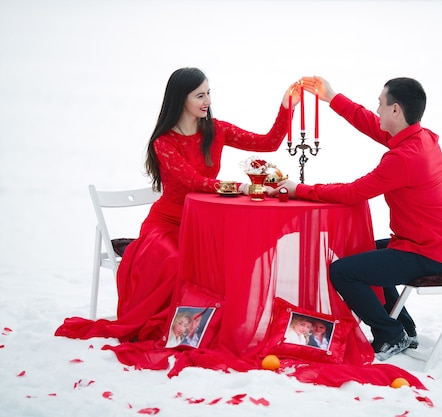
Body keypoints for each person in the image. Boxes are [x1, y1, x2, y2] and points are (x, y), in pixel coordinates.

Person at [56, 67, 301, 342]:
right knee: (176, 262)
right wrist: (243, 187)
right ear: (180, 99)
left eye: (208, 93)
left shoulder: (216, 129)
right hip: (166, 223)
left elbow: (268, 143)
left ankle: (210, 324)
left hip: (202, 223)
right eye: (200, 95)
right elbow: (193, 181)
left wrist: (286, 107)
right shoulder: (164, 142)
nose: (207, 101)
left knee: (236, 258)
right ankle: (173, 325)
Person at [271, 76, 442, 361]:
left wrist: (300, 190)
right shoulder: (422, 138)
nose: (377, 110)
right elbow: (370, 123)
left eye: (381, 104)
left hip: (425, 252)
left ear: (396, 110)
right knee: (364, 253)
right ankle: (404, 326)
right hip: (425, 243)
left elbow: (354, 192)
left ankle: (389, 333)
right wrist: (332, 96)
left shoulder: (405, 158)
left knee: (342, 271)